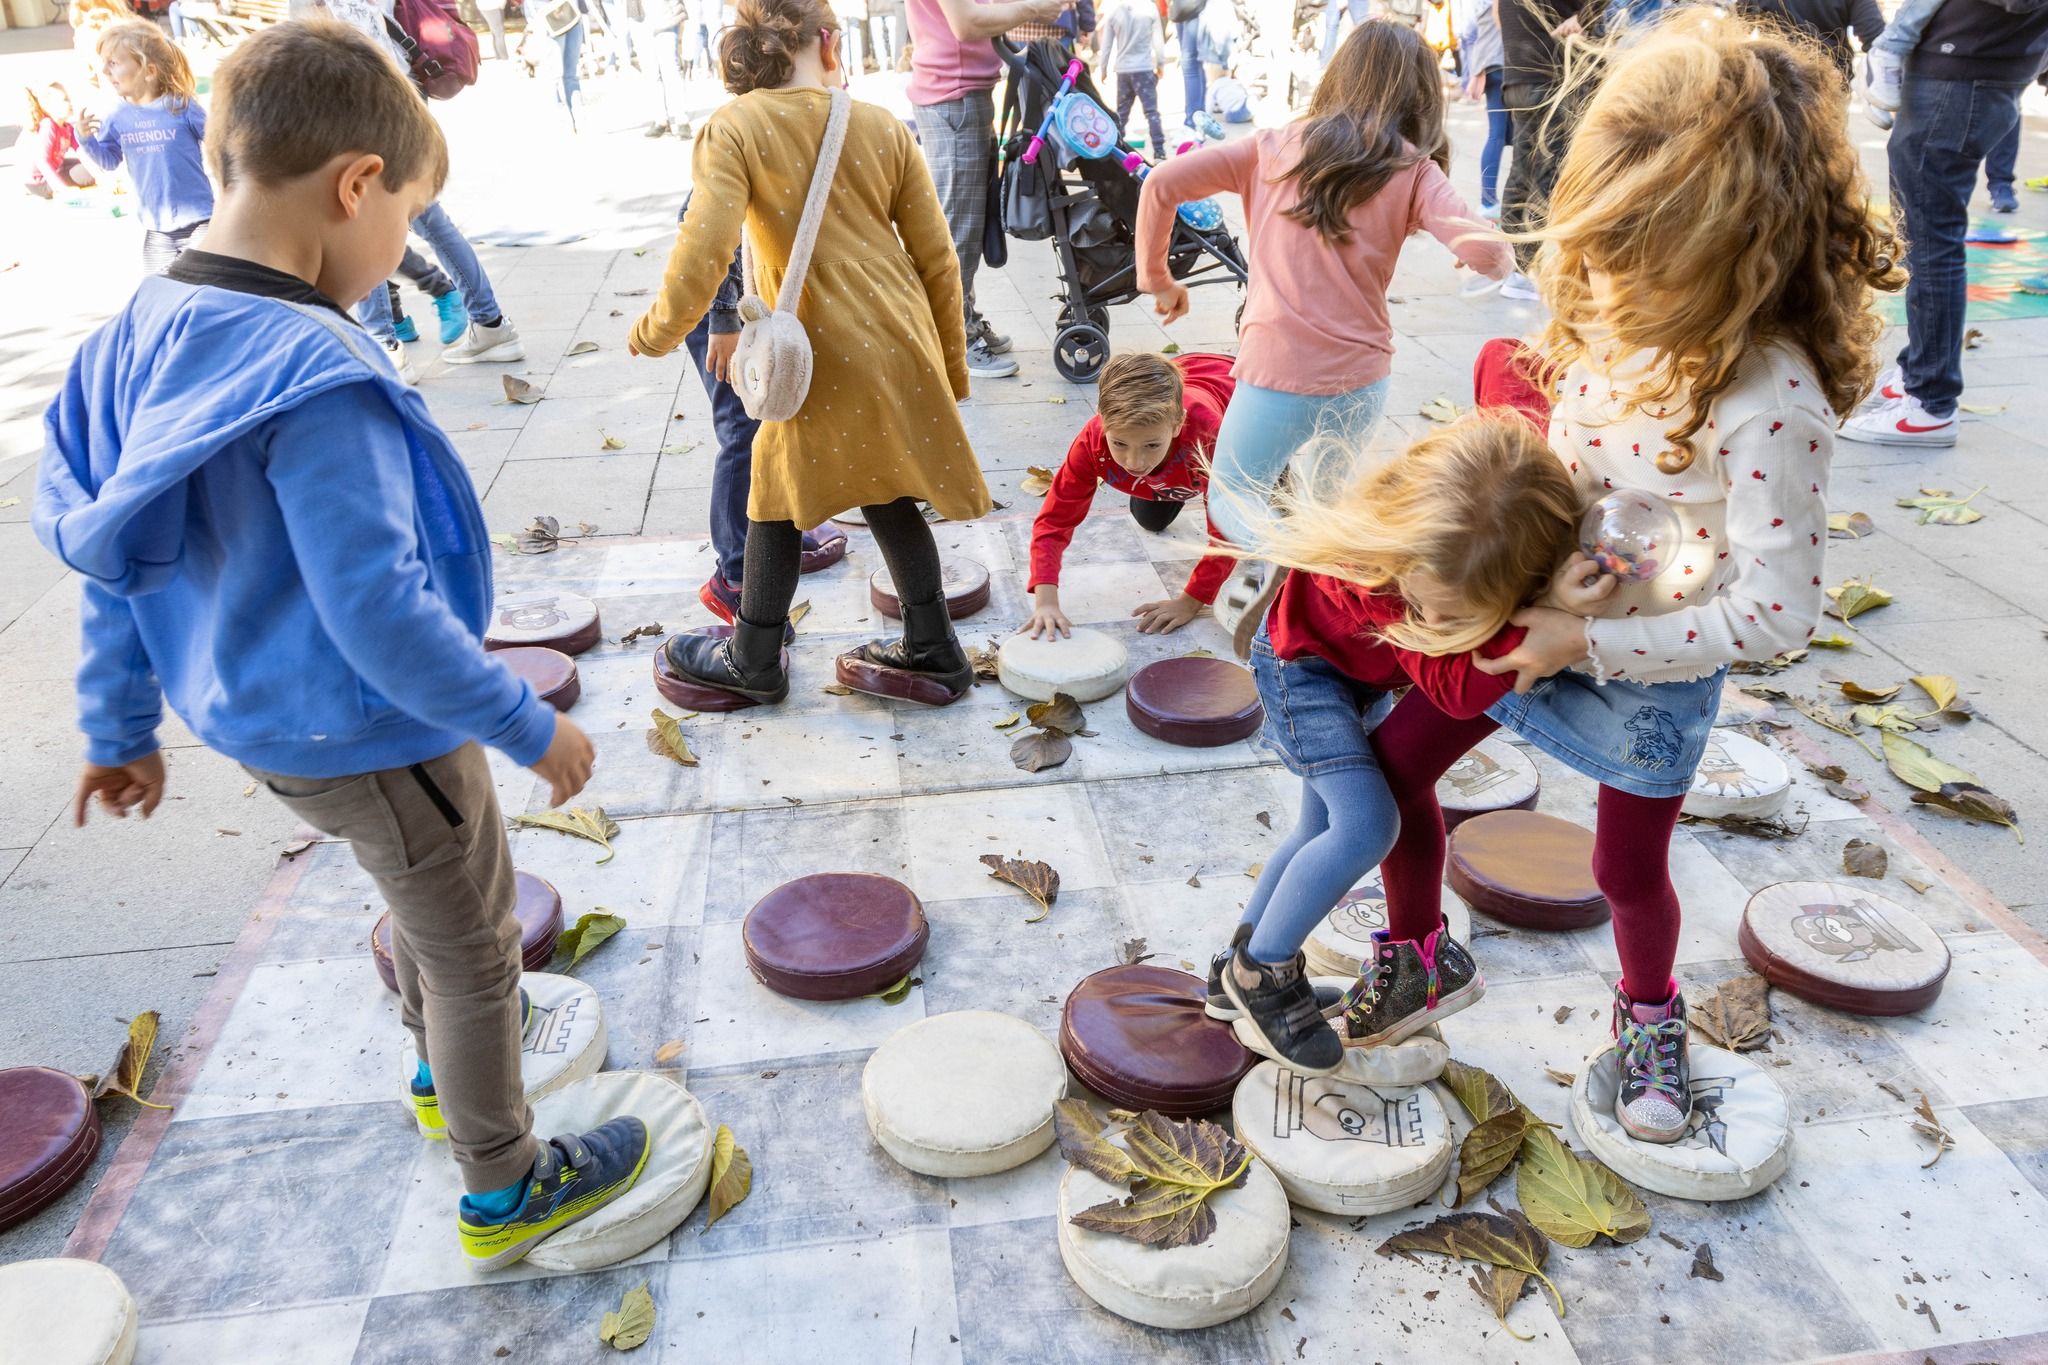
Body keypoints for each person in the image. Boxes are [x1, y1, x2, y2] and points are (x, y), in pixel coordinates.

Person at [36, 20, 648, 1269]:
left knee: (416, 901)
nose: (396, 253)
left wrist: (119, 727)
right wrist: (526, 724)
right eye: (406, 219)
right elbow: (379, 613)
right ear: (357, 185)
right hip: (378, 726)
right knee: (474, 943)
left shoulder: (130, 336)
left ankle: (440, 1080)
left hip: (257, 720)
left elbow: (117, 556)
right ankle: (504, 1179)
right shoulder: (313, 375)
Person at [1367, 9, 1899, 1143]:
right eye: (1590, 248)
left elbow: (1775, 610)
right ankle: (1417, 955)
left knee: (1622, 868)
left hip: (1644, 672)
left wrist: (1587, 643)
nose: (1596, 286)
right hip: (1536, 619)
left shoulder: (1770, 404)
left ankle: (1648, 1018)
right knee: (1388, 766)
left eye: (1631, 261)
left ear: (1733, 255)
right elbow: (1566, 460)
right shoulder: (1616, 328)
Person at [629, 0, 993, 706]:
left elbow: (703, 254)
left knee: (772, 488)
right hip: (900, 337)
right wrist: (950, 366)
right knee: (886, 491)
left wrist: (656, 330)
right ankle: (933, 646)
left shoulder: (733, 127)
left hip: (814, 349)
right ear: (827, 43)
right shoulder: (882, 124)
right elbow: (939, 260)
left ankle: (753, 656)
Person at [1213, 413, 1594, 1071]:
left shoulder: (1464, 543)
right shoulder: (1377, 564)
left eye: (1459, 614)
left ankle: (1234, 970)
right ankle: (1261, 972)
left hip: (1352, 675)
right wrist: (1529, 634)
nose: (1437, 622)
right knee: (1366, 826)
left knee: (1317, 832)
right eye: (1428, 608)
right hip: (1303, 674)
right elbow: (1454, 690)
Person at [1136, 20, 1511, 647]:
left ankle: (1289, 558)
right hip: (1363, 379)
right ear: (1421, 96)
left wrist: (1159, 279)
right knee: (1324, 500)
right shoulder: (1414, 171)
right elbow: (1492, 256)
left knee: (1232, 496)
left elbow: (1160, 183)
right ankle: (1320, 603)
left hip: (1276, 374)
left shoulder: (1271, 146)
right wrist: (1476, 256)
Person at [1842, 0, 2047, 447]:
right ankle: (1921, 371)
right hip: (1962, 68)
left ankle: (1929, 402)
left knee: (1932, 244)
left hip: (1965, 72)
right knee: (1924, 239)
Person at [293, 0, 527, 379]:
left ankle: (385, 346)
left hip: (357, 108)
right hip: (404, 95)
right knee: (427, 217)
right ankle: (490, 324)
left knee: (360, 224)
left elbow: (316, 55)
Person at [674, 190, 851, 625]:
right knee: (742, 431)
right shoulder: (742, 126)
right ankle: (733, 575)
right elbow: (703, 221)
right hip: (726, 310)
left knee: (774, 423)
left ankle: (776, 527)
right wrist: (723, 316)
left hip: (762, 300)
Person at [1022, 351, 1240, 639]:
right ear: (1102, 421)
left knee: (1262, 514)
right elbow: (1055, 520)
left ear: (1177, 426)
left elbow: (1228, 529)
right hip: (1179, 440)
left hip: (1236, 392)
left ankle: (1275, 476)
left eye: (1151, 445)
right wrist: (1046, 601)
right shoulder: (1092, 440)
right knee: (1150, 519)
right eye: (1120, 443)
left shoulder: (1210, 433)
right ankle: (1164, 468)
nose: (1134, 462)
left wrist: (1191, 601)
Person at [904, 0, 1067, 379]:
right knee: (958, 231)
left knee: (969, 225)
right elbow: (967, 23)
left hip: (962, 94)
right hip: (952, 97)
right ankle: (952, 341)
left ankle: (964, 319)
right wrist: (1033, 10)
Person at [77, 21, 212, 272]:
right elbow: (109, 161)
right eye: (104, 63)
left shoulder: (180, 106)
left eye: (113, 63)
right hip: (157, 228)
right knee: (160, 292)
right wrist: (86, 140)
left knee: (204, 289)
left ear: (148, 71)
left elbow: (218, 141)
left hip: (200, 221)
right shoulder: (117, 115)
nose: (104, 71)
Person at [1496, 0, 1602, 298]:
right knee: (1547, 175)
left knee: (1521, 172)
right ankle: (1522, 269)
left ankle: (1509, 264)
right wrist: (1582, 17)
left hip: (1516, 77)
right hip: (1548, 78)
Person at [1449, 0, 1506, 216]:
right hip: (1503, 63)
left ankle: (1489, 201)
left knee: (1498, 135)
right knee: (1504, 137)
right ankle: (1490, 202)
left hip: (1489, 62)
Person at [1099, 0, 1167, 157]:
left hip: (1123, 70)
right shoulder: (1150, 7)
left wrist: (1103, 68)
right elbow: (1158, 40)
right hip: (1144, 68)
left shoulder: (1113, 9)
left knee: (1122, 113)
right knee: (1151, 112)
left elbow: (1106, 44)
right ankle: (1159, 150)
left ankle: (1116, 150)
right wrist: (1161, 64)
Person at [22, 84, 97, 200]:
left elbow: (82, 154)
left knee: (92, 163)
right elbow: (42, 161)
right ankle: (49, 187)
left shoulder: (68, 128)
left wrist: (100, 174)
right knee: (87, 174)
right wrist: (62, 189)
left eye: (69, 99)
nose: (70, 103)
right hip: (40, 182)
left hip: (55, 166)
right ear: (49, 106)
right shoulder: (48, 126)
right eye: (65, 100)